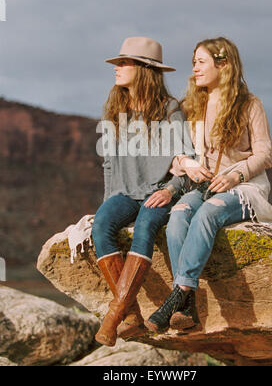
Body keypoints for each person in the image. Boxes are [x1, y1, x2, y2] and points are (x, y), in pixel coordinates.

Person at [145, 36, 272, 333]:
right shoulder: (192, 105)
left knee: (209, 213)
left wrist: (235, 175)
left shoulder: (250, 105)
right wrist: (189, 166)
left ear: (223, 64)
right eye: (193, 63)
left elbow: (264, 154)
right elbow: (176, 155)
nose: (194, 69)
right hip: (203, 187)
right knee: (180, 214)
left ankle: (178, 296)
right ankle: (187, 307)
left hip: (243, 187)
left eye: (201, 62)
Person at [92, 36, 191, 346]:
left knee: (146, 227)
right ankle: (132, 316)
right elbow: (109, 164)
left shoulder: (170, 108)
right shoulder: (114, 107)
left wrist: (172, 190)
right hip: (122, 193)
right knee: (100, 226)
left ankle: (113, 316)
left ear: (145, 69)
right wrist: (110, 200)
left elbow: (189, 159)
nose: (117, 68)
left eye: (124, 63)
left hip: (157, 191)